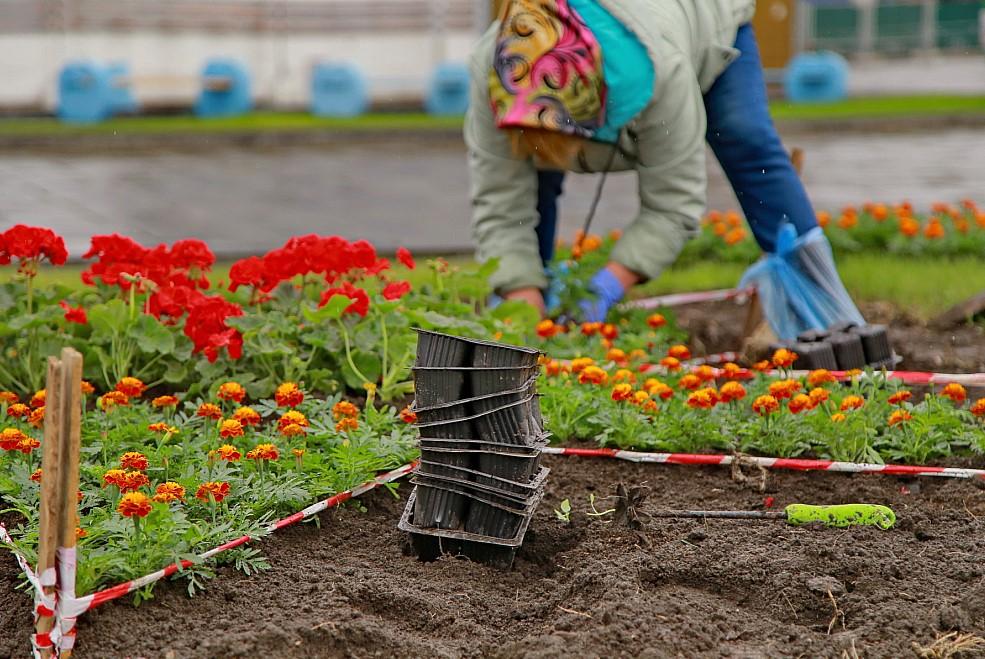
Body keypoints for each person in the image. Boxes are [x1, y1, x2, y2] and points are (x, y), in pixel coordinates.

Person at [466, 0, 862, 329]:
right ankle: (536, 308)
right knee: (535, 179)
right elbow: (501, 199)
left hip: (701, 17)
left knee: (745, 140)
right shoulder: (498, 70)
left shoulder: (661, 74)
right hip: (613, 51)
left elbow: (674, 203)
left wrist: (609, 283)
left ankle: (824, 314)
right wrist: (521, 293)